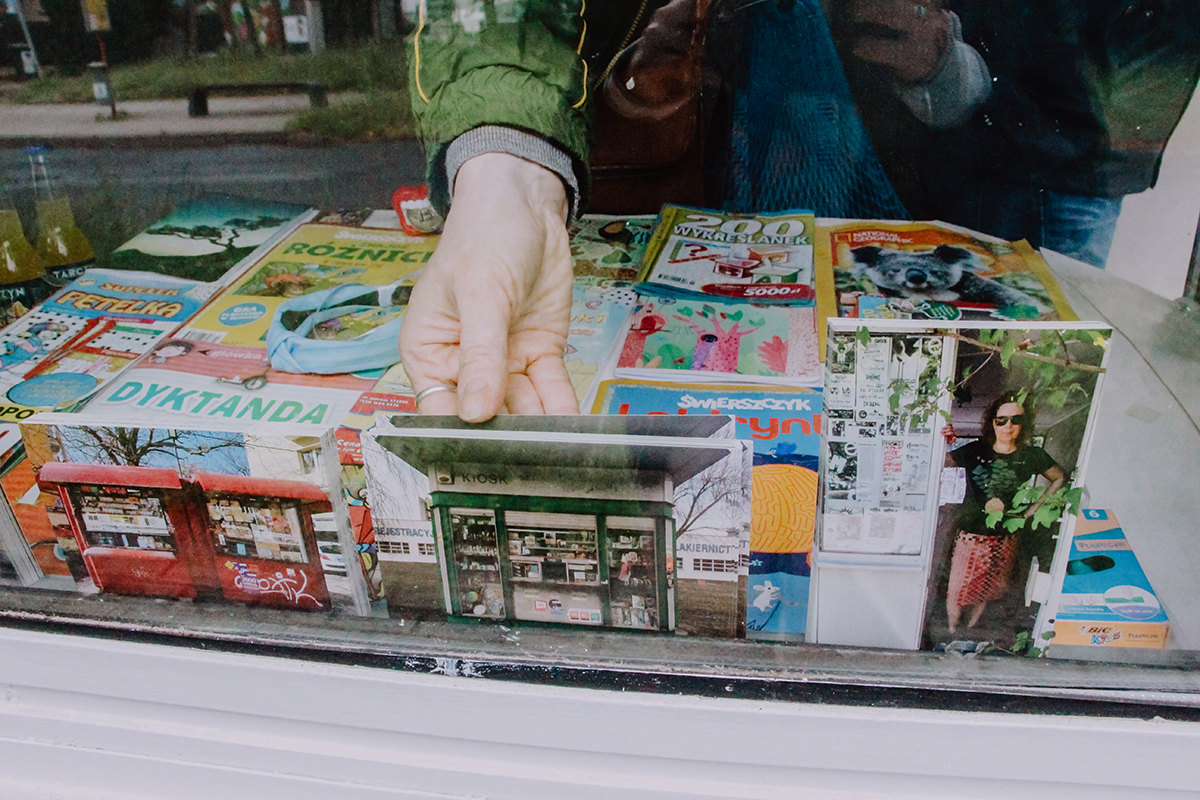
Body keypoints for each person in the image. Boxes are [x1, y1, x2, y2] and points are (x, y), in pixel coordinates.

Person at [399, 0, 985, 421]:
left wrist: (944, 66)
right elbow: (504, 22)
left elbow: (1038, 86)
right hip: (625, 211)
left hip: (899, 200)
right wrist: (506, 176)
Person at [941, 393, 1065, 633]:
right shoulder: (976, 449)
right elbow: (939, 460)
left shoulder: (1031, 455)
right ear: (992, 422)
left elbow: (1058, 477)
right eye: (1001, 420)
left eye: (1015, 420)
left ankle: (972, 627)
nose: (1008, 426)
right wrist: (945, 441)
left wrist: (1030, 512)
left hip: (1005, 534)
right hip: (969, 533)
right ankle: (951, 630)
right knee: (957, 586)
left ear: (1023, 423)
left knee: (988, 586)